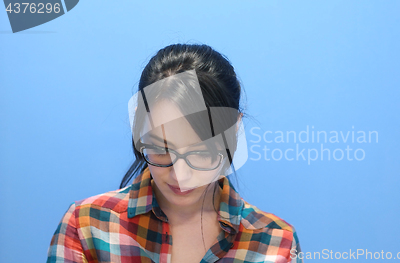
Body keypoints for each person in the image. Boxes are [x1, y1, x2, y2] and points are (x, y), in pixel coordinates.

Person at [46, 44, 303, 263]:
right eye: (160, 150)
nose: (180, 176)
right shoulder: (87, 226)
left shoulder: (275, 243)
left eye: (201, 153)